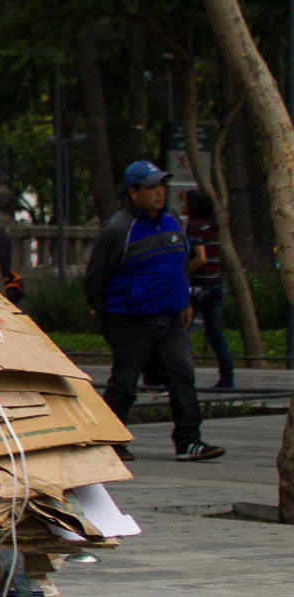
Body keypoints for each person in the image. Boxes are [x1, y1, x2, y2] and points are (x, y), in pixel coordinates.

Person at [85, 160, 225, 462]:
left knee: (182, 375)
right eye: (151, 187)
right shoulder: (118, 229)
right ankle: (112, 440)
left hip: (172, 318)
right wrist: (104, 315)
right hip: (131, 319)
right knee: (124, 381)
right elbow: (95, 277)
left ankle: (189, 441)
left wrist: (184, 300)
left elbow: (180, 265)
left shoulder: (173, 220)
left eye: (161, 185)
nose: (159, 192)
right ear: (133, 192)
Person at [183, 189, 237, 391]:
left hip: (199, 286)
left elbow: (201, 258)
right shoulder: (211, 226)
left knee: (181, 331)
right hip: (216, 284)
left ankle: (180, 376)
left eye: (186, 201)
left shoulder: (195, 227)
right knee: (215, 332)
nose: (183, 203)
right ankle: (227, 376)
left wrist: (183, 269)